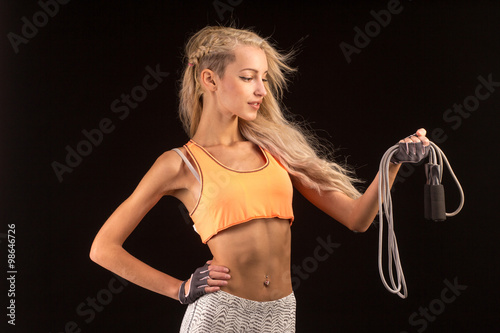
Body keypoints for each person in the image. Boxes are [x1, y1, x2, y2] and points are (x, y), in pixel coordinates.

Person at [90, 25, 430, 332]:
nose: (261, 90)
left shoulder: (276, 151)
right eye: (248, 77)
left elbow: (357, 219)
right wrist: (179, 289)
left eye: (264, 78)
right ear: (209, 80)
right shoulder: (180, 164)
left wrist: (393, 163)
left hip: (282, 315)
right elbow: (103, 248)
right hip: (220, 315)